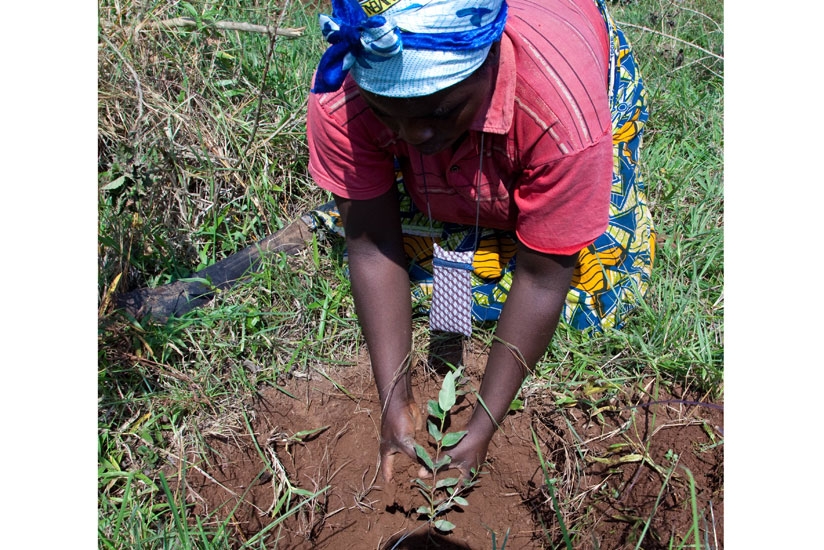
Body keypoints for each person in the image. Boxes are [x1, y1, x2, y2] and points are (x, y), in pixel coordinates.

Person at [305, 0, 653, 483]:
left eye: (441, 110)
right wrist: (393, 399)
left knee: (597, 288)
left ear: (490, 60)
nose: (414, 133)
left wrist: (482, 429)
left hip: (565, 65)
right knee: (428, 253)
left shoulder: (560, 111)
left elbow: (542, 279)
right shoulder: (342, 95)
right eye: (390, 114)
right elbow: (369, 246)